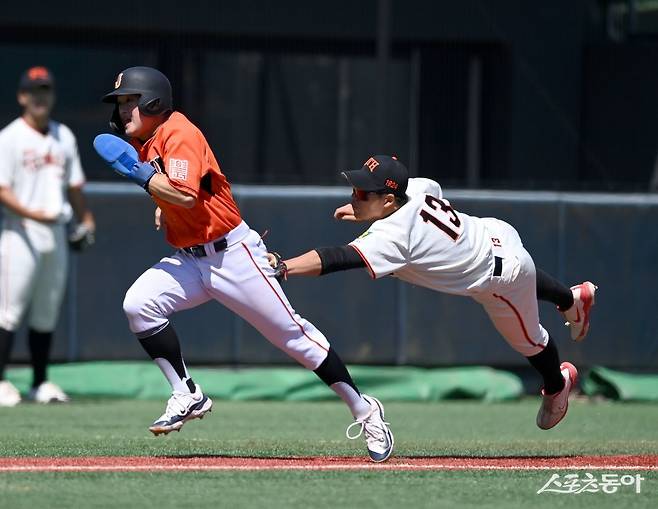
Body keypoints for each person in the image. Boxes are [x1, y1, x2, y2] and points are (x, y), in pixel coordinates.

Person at [93, 66, 393, 462]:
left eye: (130, 99)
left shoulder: (177, 132)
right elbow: (182, 196)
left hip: (233, 256)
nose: (122, 109)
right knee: (139, 304)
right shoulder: (150, 142)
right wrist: (159, 203)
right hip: (191, 259)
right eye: (120, 102)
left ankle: (365, 409)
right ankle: (186, 393)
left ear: (153, 101)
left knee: (294, 338)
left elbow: (183, 196)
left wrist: (141, 177)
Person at [269, 155, 597, 430]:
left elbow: (336, 258)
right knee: (524, 283)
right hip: (493, 232)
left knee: (530, 340)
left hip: (500, 279)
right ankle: (571, 299)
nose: (356, 195)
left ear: (387, 201)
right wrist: (365, 208)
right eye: (355, 188)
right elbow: (423, 192)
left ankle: (558, 386)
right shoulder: (416, 187)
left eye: (363, 192)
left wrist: (284, 266)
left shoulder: (393, 236)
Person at [0, 66, 96, 406]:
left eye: (46, 90)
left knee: (46, 311)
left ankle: (40, 382)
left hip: (56, 231)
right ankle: (0, 381)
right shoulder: (10, 137)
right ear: (22, 96)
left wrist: (85, 218)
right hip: (19, 231)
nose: (40, 97)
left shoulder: (63, 136)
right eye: (34, 91)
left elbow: (75, 185)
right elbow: (2, 190)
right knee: (8, 310)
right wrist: (32, 214)